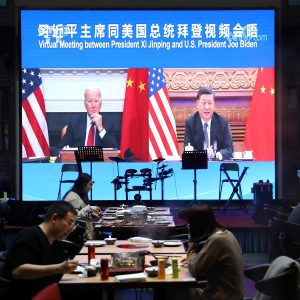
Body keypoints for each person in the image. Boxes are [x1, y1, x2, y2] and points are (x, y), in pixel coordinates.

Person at [3, 202, 79, 300]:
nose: (71, 229)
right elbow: (18, 271)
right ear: (55, 218)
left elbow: (58, 273)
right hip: (28, 295)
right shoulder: (29, 236)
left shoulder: (57, 240)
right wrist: (59, 268)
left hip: (51, 291)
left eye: (73, 225)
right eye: (69, 223)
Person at [173, 204, 244, 300]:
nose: (189, 228)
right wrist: (194, 257)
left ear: (197, 225)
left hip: (220, 297)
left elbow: (195, 270)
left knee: (174, 289)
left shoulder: (217, 240)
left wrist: (191, 244)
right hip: (232, 295)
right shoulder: (225, 234)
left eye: (190, 225)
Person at [184, 86, 233, 160]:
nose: (207, 107)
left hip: (217, 167)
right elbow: (187, 149)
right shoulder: (190, 123)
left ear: (214, 105)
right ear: (197, 104)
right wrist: (203, 155)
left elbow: (229, 150)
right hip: (198, 166)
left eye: (210, 103)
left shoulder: (222, 123)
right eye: (203, 103)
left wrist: (217, 155)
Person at [63, 173, 101, 239]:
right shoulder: (72, 197)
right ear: (83, 184)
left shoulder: (79, 194)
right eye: (90, 184)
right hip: (78, 236)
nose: (91, 187)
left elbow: (81, 212)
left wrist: (92, 214)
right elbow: (74, 218)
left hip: (85, 233)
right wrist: (89, 209)